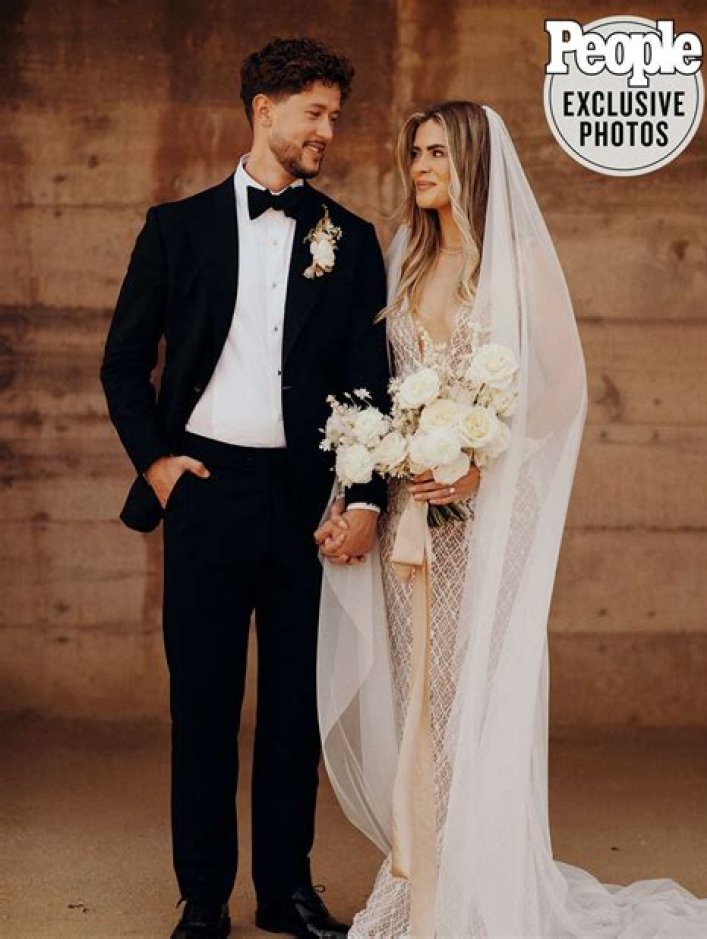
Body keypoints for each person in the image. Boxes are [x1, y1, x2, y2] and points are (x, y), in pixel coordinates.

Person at [315, 102, 707, 936]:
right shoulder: (404, 256)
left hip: (483, 519)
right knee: (418, 695)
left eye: (436, 152)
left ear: (470, 159)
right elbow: (379, 387)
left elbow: (561, 394)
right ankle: (420, 880)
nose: (419, 167)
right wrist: (369, 469)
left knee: (472, 694)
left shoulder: (518, 262)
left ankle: (468, 888)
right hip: (410, 515)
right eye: (414, 153)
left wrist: (475, 462)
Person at [100, 37, 389, 939]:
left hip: (307, 502)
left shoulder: (353, 239)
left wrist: (365, 498)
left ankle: (285, 891)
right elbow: (122, 364)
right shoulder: (175, 228)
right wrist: (156, 462)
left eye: (335, 115)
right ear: (265, 111)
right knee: (203, 706)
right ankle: (203, 897)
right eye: (314, 113)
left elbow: (369, 384)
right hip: (206, 492)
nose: (328, 130)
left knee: (295, 708)